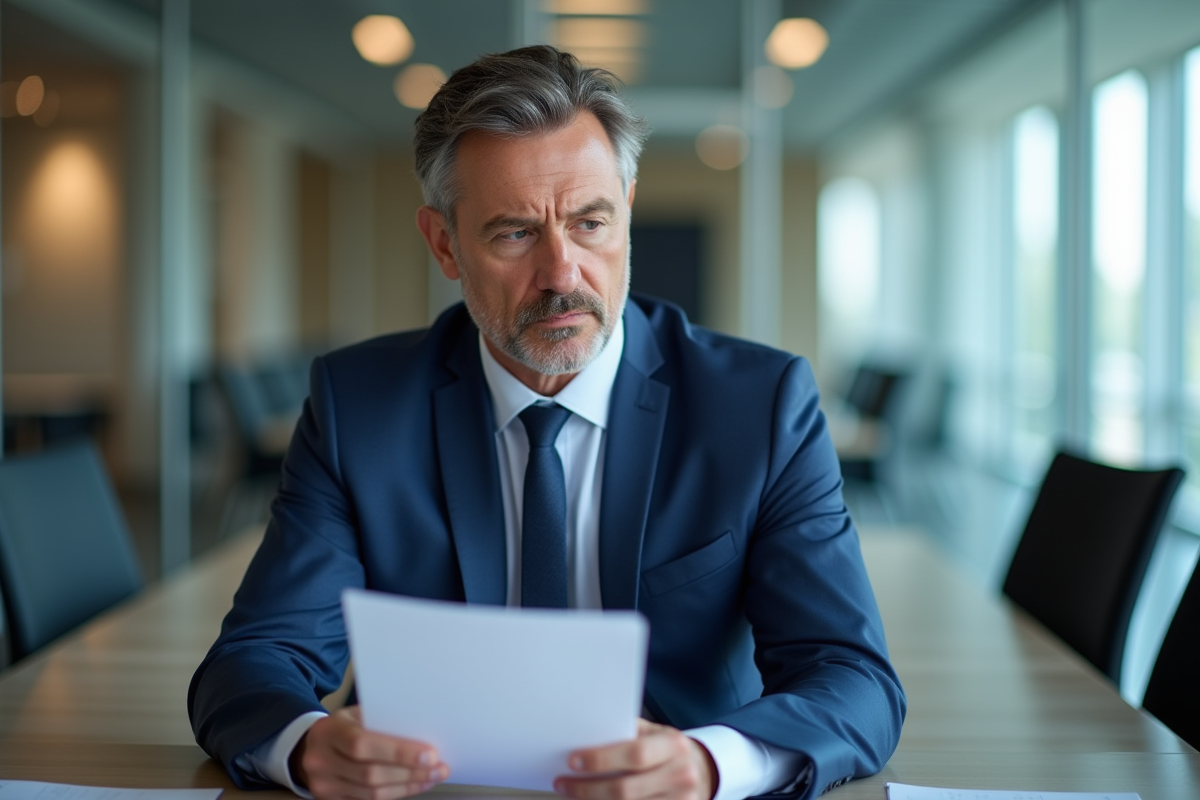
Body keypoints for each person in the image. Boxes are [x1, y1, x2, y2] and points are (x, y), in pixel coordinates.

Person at [189, 45, 904, 800]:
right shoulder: (358, 406)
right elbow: (254, 660)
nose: (562, 274)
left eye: (590, 222)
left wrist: (710, 764)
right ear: (444, 244)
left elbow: (853, 678)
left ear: (627, 210)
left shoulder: (759, 407)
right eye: (514, 233)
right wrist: (306, 747)